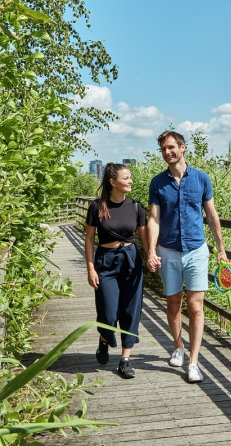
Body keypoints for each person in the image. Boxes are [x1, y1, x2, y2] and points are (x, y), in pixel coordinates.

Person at [147, 131, 227, 383]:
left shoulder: (202, 178)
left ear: (183, 148)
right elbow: (154, 219)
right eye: (163, 149)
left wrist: (221, 250)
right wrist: (151, 250)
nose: (167, 152)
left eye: (171, 147)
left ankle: (194, 362)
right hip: (168, 251)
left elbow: (212, 216)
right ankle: (178, 347)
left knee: (195, 306)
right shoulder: (157, 183)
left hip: (196, 250)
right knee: (173, 304)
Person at [85, 162, 149, 379]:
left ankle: (125, 360)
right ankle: (104, 338)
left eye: (130, 177)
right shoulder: (97, 207)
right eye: (126, 178)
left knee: (131, 310)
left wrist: (151, 256)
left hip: (131, 261)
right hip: (106, 261)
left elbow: (144, 235)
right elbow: (90, 239)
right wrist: (90, 268)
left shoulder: (136, 207)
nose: (130, 181)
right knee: (109, 312)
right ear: (112, 182)